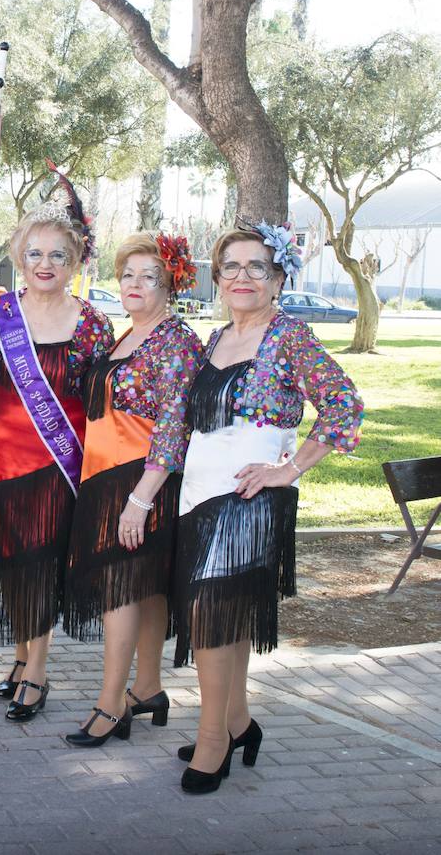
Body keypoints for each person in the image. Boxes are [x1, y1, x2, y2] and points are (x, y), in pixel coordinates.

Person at [173, 223, 362, 793]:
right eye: (231, 266)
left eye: (258, 267)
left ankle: (212, 741)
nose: (241, 277)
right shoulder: (214, 339)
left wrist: (289, 468)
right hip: (198, 494)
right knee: (224, 618)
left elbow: (343, 407)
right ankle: (237, 723)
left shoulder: (290, 338)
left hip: (250, 498)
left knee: (210, 616)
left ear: (280, 278)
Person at [0, 165, 115, 723]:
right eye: (35, 254)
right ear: (19, 258)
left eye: (58, 256)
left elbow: (102, 400)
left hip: (57, 463)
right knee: (13, 566)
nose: (46, 265)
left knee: (42, 565)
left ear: (75, 262)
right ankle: (21, 658)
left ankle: (38, 670)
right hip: (0, 460)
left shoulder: (92, 323)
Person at [61, 233, 204, 747]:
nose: (135, 284)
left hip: (143, 480)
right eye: (128, 275)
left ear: (171, 285)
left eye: (150, 276)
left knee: (123, 590)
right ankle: (148, 688)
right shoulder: (126, 335)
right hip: (104, 475)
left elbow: (173, 425)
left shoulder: (177, 340)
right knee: (144, 588)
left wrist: (140, 499)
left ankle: (110, 703)